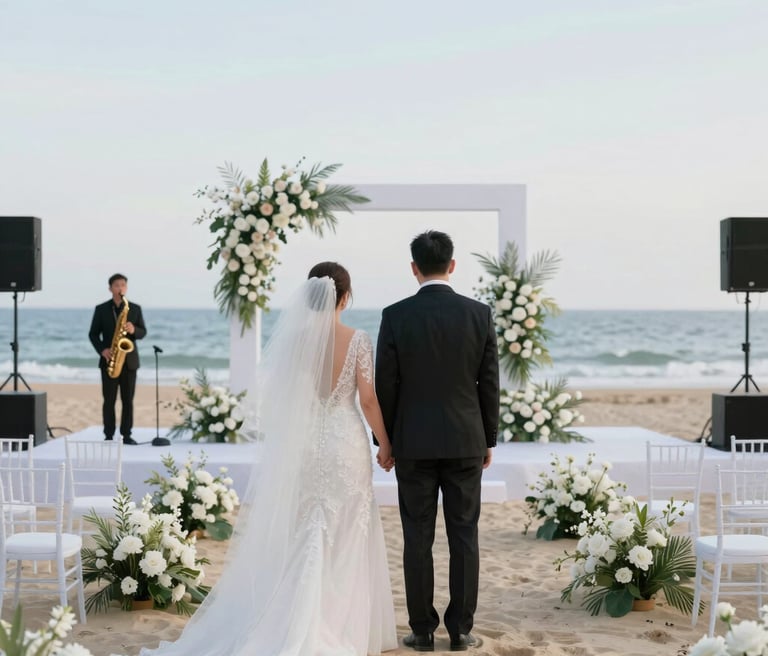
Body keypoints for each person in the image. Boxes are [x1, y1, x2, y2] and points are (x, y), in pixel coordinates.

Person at [140, 263, 397, 656]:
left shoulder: (295, 340)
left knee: (305, 525)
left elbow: (285, 398)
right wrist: (385, 442)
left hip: (307, 443)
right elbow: (366, 399)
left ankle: (293, 613)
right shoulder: (358, 339)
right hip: (345, 443)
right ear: (345, 297)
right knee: (346, 528)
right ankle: (334, 620)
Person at [375, 230, 500, 652]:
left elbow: (385, 385)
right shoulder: (479, 314)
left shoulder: (395, 316)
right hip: (466, 438)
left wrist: (385, 441)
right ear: (452, 265)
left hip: (413, 442)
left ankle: (423, 631)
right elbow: (489, 385)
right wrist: (489, 438)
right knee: (465, 535)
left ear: (414, 268)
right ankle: (461, 631)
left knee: (417, 538)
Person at [88, 273, 147, 445]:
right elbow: (92, 334)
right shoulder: (101, 309)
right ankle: (108, 435)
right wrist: (102, 350)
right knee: (109, 401)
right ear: (110, 288)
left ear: (126, 287)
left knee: (128, 400)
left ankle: (126, 434)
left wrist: (133, 329)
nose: (120, 288)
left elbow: (143, 332)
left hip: (129, 362)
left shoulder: (134, 308)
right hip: (109, 360)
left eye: (123, 285)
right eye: (117, 285)